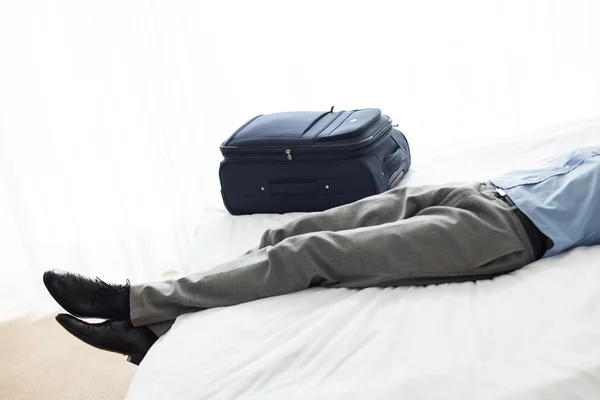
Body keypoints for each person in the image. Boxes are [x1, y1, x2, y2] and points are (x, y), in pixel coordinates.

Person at [43, 146, 600, 365]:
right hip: (481, 189)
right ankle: (152, 332)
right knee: (290, 234)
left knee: (313, 254)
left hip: (505, 231)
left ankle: (130, 301)